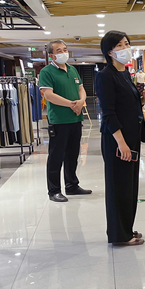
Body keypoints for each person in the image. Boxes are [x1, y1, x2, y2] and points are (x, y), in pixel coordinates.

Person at [96, 31, 145, 246]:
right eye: (119, 45)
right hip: (117, 139)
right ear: (110, 52)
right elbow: (109, 113)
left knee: (129, 186)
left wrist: (142, 100)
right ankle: (119, 235)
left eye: (127, 44)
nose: (125, 48)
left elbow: (127, 106)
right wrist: (121, 143)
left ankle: (125, 228)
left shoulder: (125, 74)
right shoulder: (105, 76)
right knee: (118, 186)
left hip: (131, 136)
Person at [39, 40, 92, 202]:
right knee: (56, 156)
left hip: (75, 118)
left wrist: (81, 102)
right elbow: (49, 95)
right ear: (51, 55)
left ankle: (72, 185)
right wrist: (71, 104)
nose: (63, 53)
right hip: (59, 120)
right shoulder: (46, 72)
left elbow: (81, 89)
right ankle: (54, 190)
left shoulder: (72, 69)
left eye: (65, 49)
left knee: (72, 154)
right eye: (59, 50)